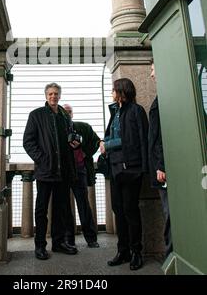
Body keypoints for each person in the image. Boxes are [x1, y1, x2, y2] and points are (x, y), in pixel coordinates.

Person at [23, 82, 78, 260]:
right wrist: (42, 159)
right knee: (41, 210)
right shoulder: (36, 115)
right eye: (50, 94)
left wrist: (75, 142)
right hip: (45, 172)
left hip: (63, 173)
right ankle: (40, 246)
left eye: (56, 94)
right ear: (46, 96)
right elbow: (28, 142)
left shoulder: (64, 116)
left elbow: (70, 139)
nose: (53, 96)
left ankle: (58, 242)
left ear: (59, 96)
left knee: (61, 209)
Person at [100, 78, 148, 271]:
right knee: (118, 211)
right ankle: (123, 251)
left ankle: (136, 252)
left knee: (130, 210)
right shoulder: (116, 112)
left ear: (122, 91)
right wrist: (103, 142)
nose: (111, 92)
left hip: (131, 169)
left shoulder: (136, 111)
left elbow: (134, 140)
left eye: (114, 89)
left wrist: (108, 144)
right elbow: (112, 136)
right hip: (115, 168)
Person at [62, 104, 101, 249]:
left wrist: (85, 153)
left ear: (72, 114)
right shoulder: (58, 129)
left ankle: (91, 238)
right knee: (65, 206)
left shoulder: (83, 127)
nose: (67, 114)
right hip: (64, 173)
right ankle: (69, 239)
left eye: (69, 111)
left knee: (84, 205)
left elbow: (97, 141)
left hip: (80, 171)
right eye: (65, 112)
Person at [148, 60, 173, 259]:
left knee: (170, 213)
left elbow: (161, 137)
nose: (151, 75)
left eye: (153, 69)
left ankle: (172, 253)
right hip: (164, 165)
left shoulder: (165, 98)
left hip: (164, 168)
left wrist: (160, 166)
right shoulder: (165, 96)